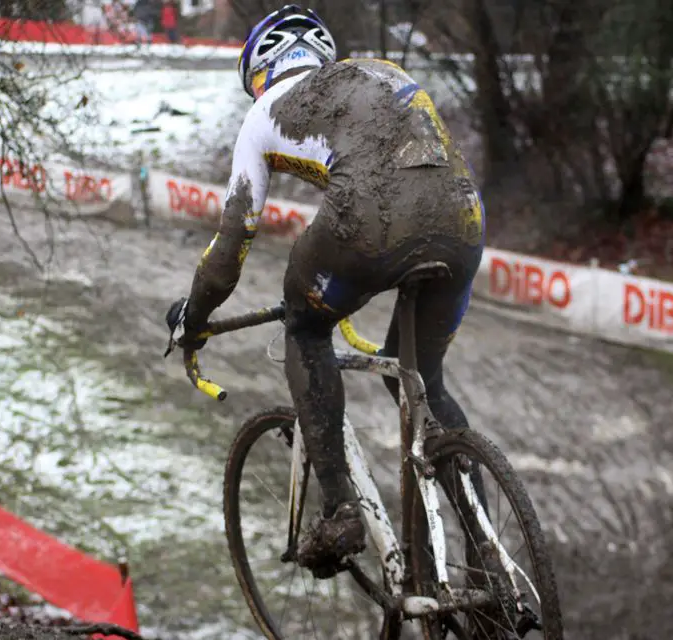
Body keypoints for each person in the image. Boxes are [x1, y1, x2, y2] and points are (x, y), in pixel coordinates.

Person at [166, 5, 485, 574]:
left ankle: (340, 512)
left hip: (372, 220)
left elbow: (229, 250)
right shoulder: (379, 70)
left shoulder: (265, 110)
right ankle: (489, 555)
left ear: (258, 72)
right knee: (421, 377)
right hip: (463, 215)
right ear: (321, 56)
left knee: (305, 329)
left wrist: (193, 318)